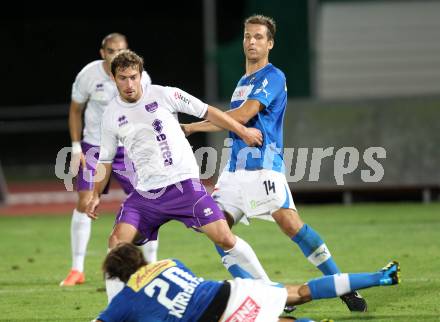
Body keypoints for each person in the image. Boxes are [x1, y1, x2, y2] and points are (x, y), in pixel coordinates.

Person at [181, 15, 368, 312]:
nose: (251, 41)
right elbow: (236, 119)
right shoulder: (242, 82)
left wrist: (193, 127)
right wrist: (195, 128)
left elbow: (241, 117)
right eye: (247, 36)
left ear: (270, 43)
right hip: (234, 172)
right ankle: (268, 295)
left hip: (263, 167)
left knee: (290, 224)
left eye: (258, 37)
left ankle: (341, 284)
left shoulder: (273, 76)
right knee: (216, 229)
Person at [85, 49, 271, 303]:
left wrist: (243, 131)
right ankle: (114, 311)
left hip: (184, 187)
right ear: (114, 79)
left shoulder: (164, 94)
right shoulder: (110, 114)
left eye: (133, 77)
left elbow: (208, 111)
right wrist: (95, 193)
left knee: (225, 237)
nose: (129, 84)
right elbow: (105, 159)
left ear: (141, 75)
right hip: (147, 194)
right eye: (122, 78)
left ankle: (268, 288)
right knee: (116, 242)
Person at [61, 33, 158, 287]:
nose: (116, 54)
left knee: (147, 203)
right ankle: (77, 269)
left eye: (121, 50)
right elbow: (75, 109)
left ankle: (151, 265)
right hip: (94, 145)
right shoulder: (89, 75)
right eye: (111, 50)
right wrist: (75, 146)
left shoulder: (140, 78)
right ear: (103, 52)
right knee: (84, 202)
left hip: (127, 148)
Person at [93, 243, 400, 322]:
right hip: (232, 289)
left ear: (117, 275)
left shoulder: (124, 301)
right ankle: (379, 277)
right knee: (300, 292)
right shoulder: (168, 263)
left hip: (219, 316)